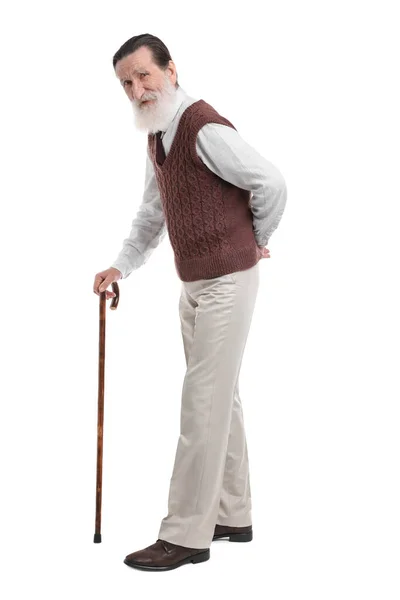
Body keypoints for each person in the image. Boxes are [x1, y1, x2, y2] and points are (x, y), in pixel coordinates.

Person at [93, 33, 287, 571]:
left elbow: (271, 182)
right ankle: (231, 513)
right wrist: (120, 267)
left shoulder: (204, 128)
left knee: (201, 404)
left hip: (228, 280)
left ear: (171, 69)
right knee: (221, 398)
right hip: (195, 283)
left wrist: (258, 240)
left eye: (144, 75)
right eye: (127, 83)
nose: (137, 89)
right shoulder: (158, 136)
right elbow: (153, 215)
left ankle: (185, 534)